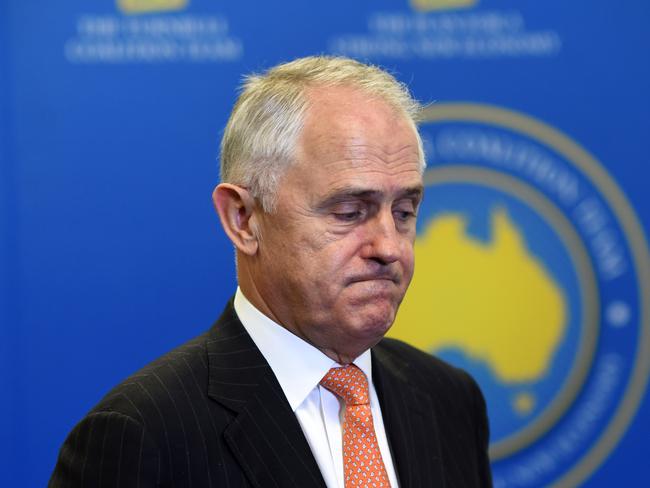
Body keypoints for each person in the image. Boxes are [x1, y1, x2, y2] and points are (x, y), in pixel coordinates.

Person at [50, 56, 492, 487]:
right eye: (349, 211)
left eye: (404, 211)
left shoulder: (448, 398)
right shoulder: (142, 433)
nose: (390, 248)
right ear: (243, 218)